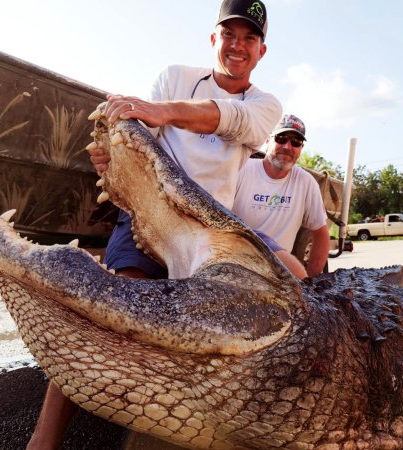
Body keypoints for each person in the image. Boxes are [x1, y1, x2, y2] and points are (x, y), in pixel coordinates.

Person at [29, 1, 285, 448]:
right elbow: (140, 143)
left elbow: (234, 120)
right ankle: (43, 439)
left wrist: (161, 111)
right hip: (151, 208)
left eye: (249, 38)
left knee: (279, 291)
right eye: (229, 34)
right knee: (109, 300)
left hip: (211, 227)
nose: (237, 45)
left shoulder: (265, 105)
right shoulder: (175, 75)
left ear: (262, 50)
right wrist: (112, 155)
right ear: (214, 39)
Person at [232, 114, 330, 277]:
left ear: (301, 148)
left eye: (296, 142)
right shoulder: (241, 170)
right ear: (267, 140)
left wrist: (313, 285)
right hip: (235, 264)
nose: (287, 146)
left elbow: (321, 234)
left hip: (279, 275)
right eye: (281, 138)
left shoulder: (305, 182)